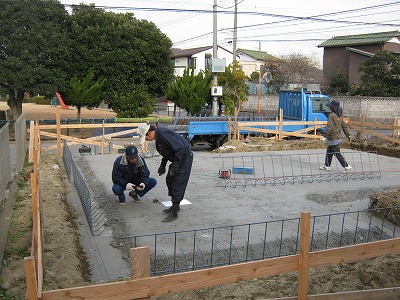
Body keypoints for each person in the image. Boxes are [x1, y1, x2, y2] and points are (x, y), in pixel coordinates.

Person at [137, 123, 193, 222]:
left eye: (147, 138)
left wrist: (175, 165)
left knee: (178, 182)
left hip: (184, 158)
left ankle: (174, 213)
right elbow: (167, 151)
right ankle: (175, 205)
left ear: (149, 133)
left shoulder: (163, 134)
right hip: (177, 158)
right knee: (169, 179)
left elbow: (180, 148)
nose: (148, 140)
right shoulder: (159, 137)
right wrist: (163, 165)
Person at [320, 99, 352, 173]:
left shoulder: (331, 115)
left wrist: (324, 136)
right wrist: (348, 135)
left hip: (333, 137)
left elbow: (329, 127)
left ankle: (346, 166)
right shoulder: (339, 116)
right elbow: (344, 126)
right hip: (336, 137)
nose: (330, 108)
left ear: (333, 107)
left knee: (336, 153)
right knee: (329, 151)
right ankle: (327, 165)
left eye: (331, 107)